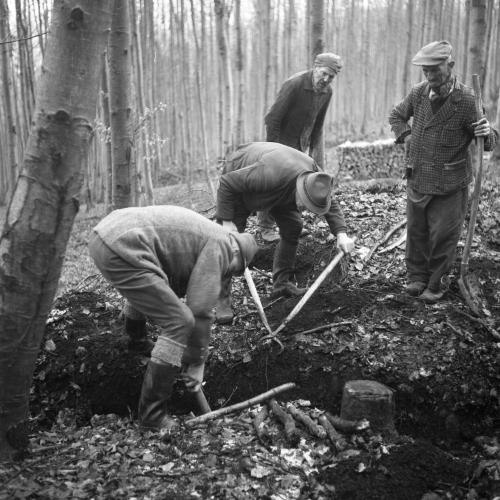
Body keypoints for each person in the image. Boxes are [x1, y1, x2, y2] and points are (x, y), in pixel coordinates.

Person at [88, 206, 258, 431]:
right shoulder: (224, 245)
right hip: (124, 244)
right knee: (180, 321)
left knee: (156, 289)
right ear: (238, 254)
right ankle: (152, 416)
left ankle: (136, 341)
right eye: (235, 270)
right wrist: (197, 361)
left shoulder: (207, 236)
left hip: (106, 235)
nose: (229, 274)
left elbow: (166, 287)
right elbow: (200, 310)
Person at [389, 40, 498, 303]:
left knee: (443, 235)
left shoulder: (467, 100)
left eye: (434, 70)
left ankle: (436, 282)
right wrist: (406, 137)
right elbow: (396, 115)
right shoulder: (418, 93)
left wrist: (487, 133)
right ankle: (416, 276)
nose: (429, 76)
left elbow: (488, 140)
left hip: (451, 183)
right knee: (417, 232)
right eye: (425, 71)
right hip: (418, 176)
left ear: (450, 65)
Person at [215, 141, 355, 322]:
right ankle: (222, 301)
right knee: (230, 244)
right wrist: (226, 222)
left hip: (281, 190)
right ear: (300, 191)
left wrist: (341, 234)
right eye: (306, 204)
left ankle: (281, 285)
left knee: (293, 226)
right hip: (239, 185)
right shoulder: (269, 174)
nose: (306, 209)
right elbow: (227, 183)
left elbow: (330, 202)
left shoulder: (315, 175)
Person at [258, 53, 343, 242]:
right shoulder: (294, 84)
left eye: (331, 76)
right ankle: (265, 228)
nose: (326, 79)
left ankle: (289, 226)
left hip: (300, 145)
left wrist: (316, 157)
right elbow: (272, 118)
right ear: (315, 67)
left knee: (293, 186)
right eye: (323, 73)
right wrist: (273, 149)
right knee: (273, 184)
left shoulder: (327, 92)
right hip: (280, 143)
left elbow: (318, 125)